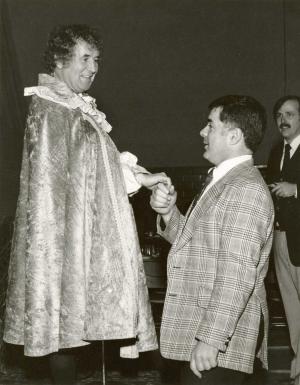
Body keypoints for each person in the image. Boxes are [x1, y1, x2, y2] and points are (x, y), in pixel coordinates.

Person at [3, 24, 170, 384]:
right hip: (62, 239)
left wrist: (138, 177)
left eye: (97, 59)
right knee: (63, 327)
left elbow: (95, 165)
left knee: (73, 329)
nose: (93, 67)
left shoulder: (74, 107)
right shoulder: (50, 109)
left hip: (80, 231)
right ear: (61, 60)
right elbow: (53, 184)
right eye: (85, 58)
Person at [150, 95, 274, 385]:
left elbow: (237, 274)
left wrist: (211, 339)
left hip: (220, 341)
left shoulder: (245, 189)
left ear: (233, 135)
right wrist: (169, 213)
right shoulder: (224, 180)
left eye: (210, 125)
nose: (202, 132)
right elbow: (198, 244)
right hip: (205, 331)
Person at [267, 95, 300, 385]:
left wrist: (297, 189)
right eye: (279, 115)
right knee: (292, 308)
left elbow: (290, 189)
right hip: (281, 239)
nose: (283, 120)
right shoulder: (277, 151)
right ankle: (299, 361)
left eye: (289, 113)